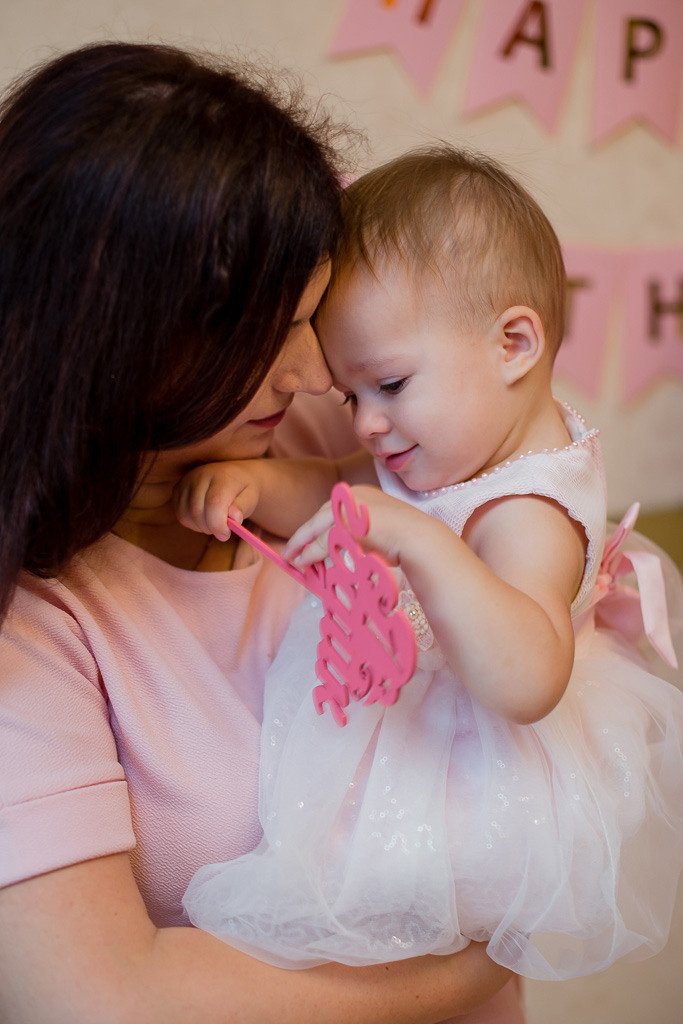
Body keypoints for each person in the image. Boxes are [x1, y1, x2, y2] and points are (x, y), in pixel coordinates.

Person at [0, 48, 523, 1023]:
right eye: (261, 333)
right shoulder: (35, 613)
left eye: (309, 317)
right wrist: (479, 959)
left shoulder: (333, 436)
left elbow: (535, 466)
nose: (311, 373)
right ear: (111, 331)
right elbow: (102, 997)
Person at [176, 146, 683, 982]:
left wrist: (420, 544)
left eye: (390, 384)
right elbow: (347, 492)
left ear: (514, 344)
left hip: (471, 771)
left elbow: (527, 680)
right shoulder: (452, 442)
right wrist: (255, 483)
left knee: (367, 933)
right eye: (351, 398)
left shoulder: (530, 511)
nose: (368, 426)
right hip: (403, 723)